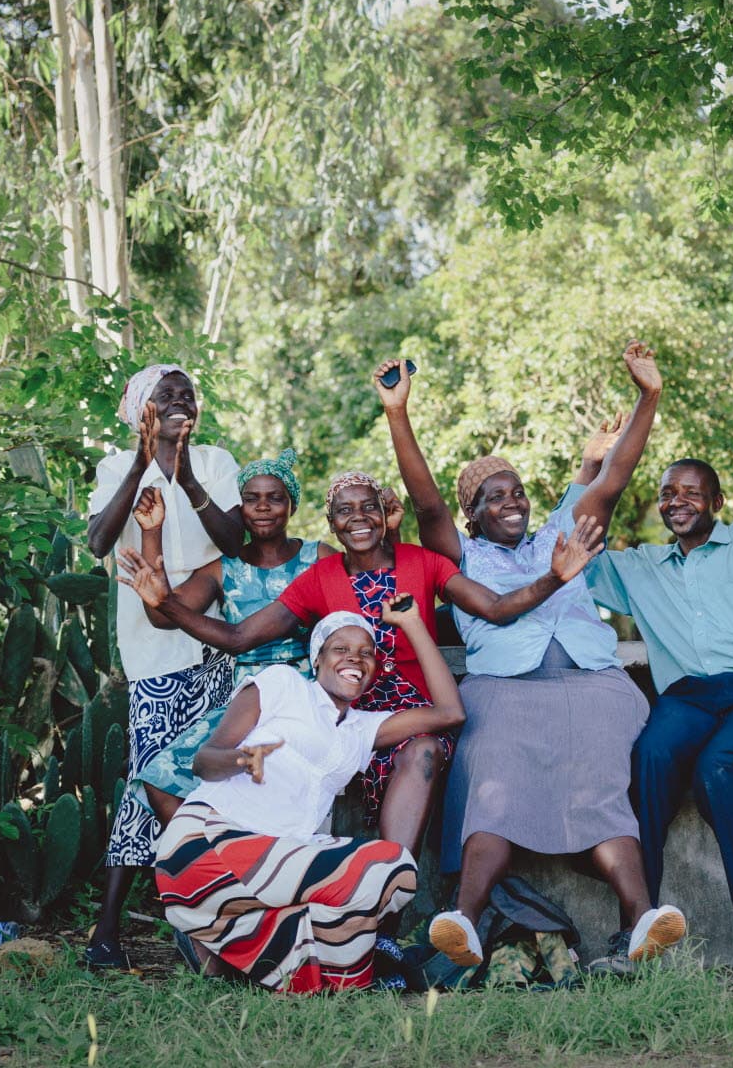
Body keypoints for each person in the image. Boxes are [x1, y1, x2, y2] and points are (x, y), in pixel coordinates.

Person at [373, 344, 687, 976]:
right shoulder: (459, 555)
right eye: (493, 496)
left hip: (592, 685)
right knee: (493, 771)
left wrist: (646, 400)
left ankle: (641, 917)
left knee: (602, 776)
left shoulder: (560, 533)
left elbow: (614, 478)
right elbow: (427, 501)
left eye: (516, 490)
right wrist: (398, 413)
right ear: (473, 514)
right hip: (505, 692)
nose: (510, 501)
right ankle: (463, 918)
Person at [117, 475, 607, 864]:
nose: (359, 518)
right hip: (349, 721)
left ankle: (387, 905)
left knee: (422, 754)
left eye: (368, 506)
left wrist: (554, 577)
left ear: (383, 513)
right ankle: (227, 875)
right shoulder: (319, 577)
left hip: (411, 715)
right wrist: (167, 604)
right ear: (331, 524)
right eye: (345, 511)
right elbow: (240, 637)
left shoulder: (425, 563)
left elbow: (496, 607)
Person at [581, 376, 733, 980]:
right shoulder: (638, 566)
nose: (677, 501)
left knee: (721, 767)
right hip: (690, 695)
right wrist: (593, 466)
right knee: (652, 757)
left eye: (692, 492)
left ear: (717, 503)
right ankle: (636, 927)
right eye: (668, 492)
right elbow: (574, 548)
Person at [154, 601, 459, 993]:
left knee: (392, 874)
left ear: (374, 671)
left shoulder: (361, 730)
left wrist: (413, 623)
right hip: (207, 842)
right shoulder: (283, 684)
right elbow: (205, 761)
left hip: (275, 860)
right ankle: (229, 940)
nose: (355, 657)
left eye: (367, 653)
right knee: (383, 865)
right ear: (317, 660)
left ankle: (216, 949)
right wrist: (243, 759)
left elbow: (450, 712)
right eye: (341, 649)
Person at [81, 363, 243, 969]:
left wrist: (188, 472)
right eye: (165, 394)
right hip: (153, 653)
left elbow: (232, 541)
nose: (180, 401)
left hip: (218, 643)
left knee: (209, 778)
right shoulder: (112, 469)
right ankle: (107, 929)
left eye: (187, 393)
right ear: (140, 411)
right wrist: (141, 460)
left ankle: (210, 921)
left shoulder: (218, 462)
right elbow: (99, 542)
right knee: (151, 781)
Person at [126, 449, 368, 823]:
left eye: (275, 498)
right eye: (251, 499)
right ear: (239, 508)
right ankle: (212, 861)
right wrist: (151, 532)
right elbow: (163, 616)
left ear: (291, 506)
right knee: (160, 778)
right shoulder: (224, 568)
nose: (264, 507)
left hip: (306, 692)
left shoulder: (317, 556)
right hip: (246, 701)